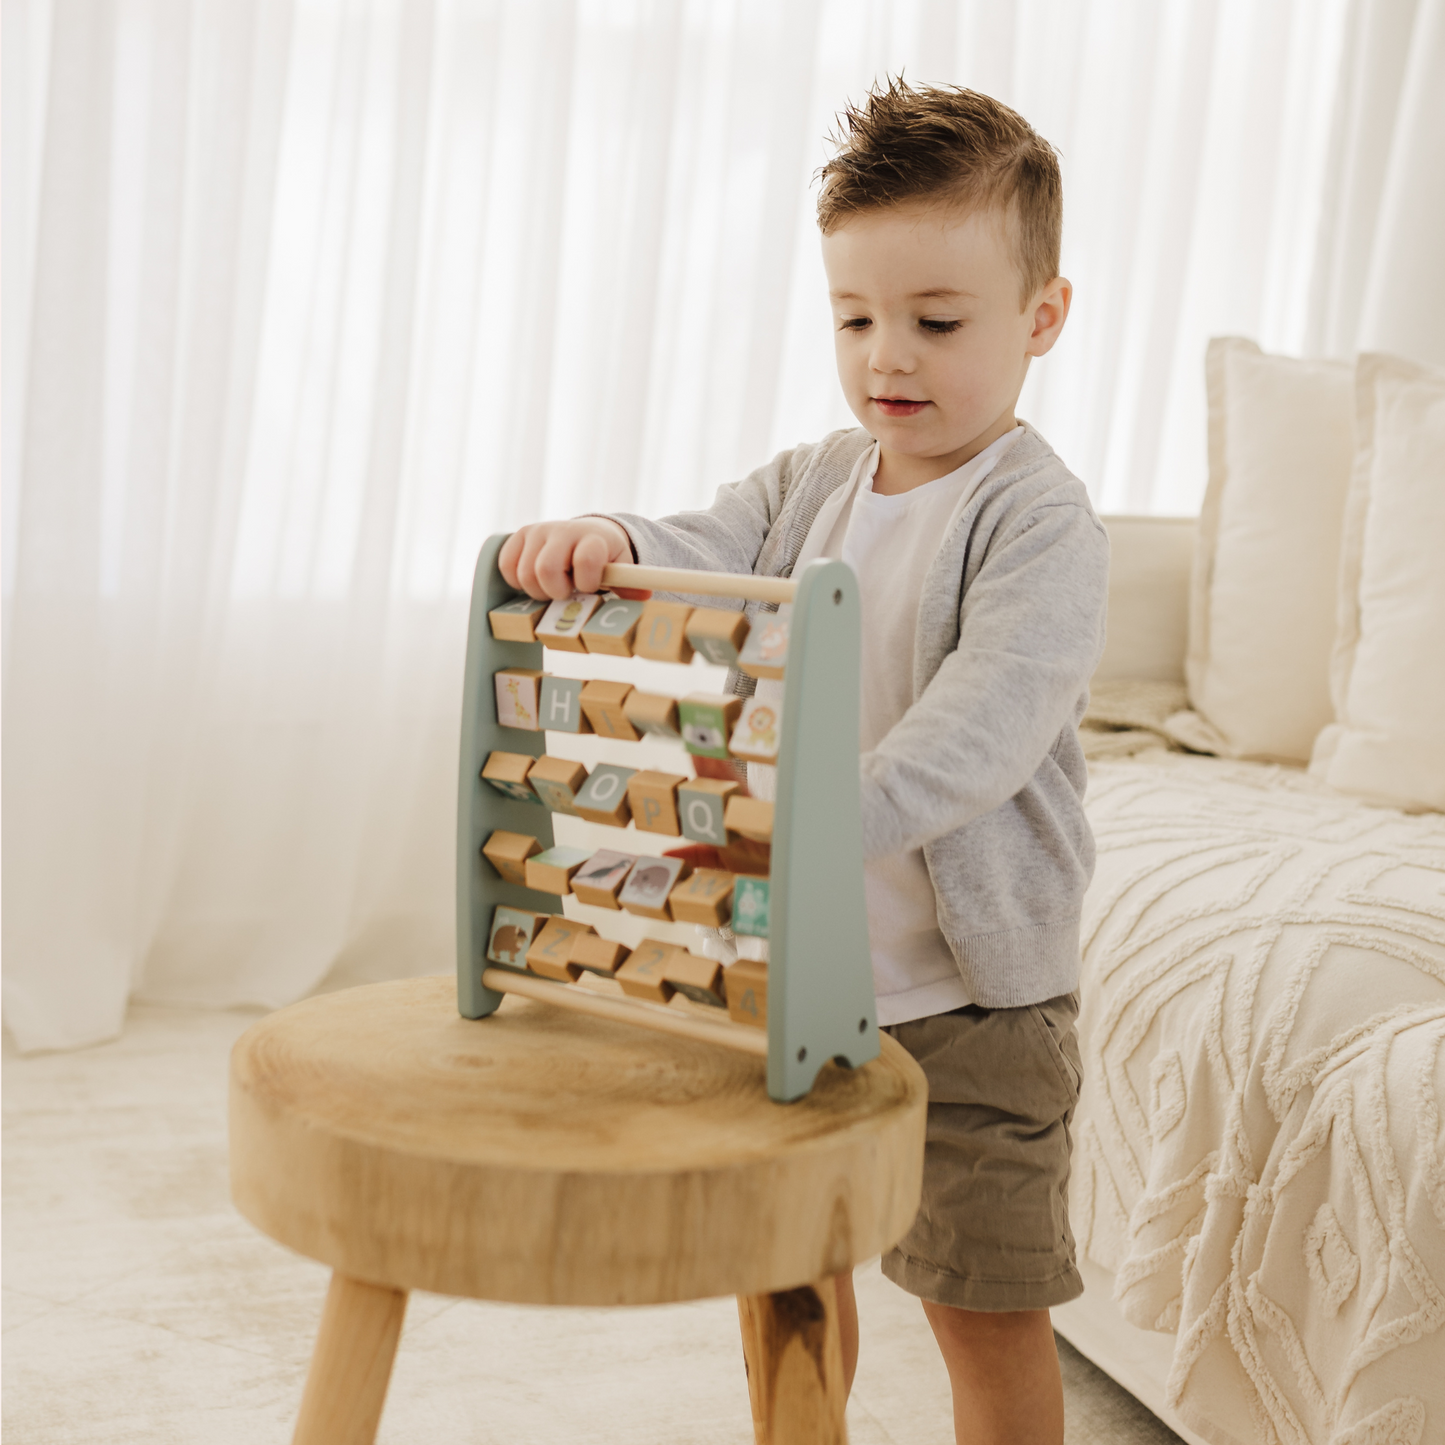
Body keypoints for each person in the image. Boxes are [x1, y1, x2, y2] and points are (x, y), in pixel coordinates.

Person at [500, 78, 1108, 1445]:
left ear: (1043, 319)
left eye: (937, 323)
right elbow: (703, 541)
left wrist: (814, 816)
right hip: (809, 978)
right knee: (792, 1272)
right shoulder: (822, 477)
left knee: (986, 1310)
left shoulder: (1038, 521)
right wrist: (602, 534)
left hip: (972, 1004)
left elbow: (988, 725)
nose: (889, 356)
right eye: (855, 318)